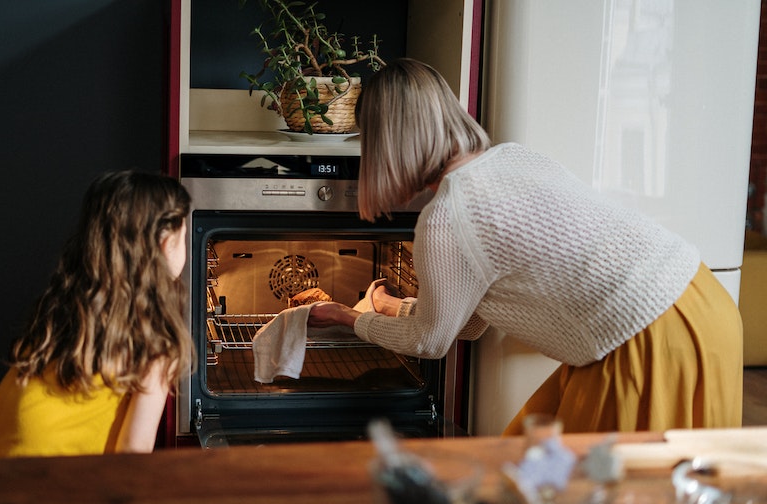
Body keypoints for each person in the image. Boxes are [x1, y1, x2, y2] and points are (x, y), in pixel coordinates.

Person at [308, 58, 743, 435]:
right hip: (702, 304)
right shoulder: (516, 158)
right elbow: (470, 322)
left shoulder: (446, 217)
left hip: (646, 343)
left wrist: (345, 317)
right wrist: (385, 306)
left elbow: (430, 342)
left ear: (387, 143)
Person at [0, 170, 194, 501]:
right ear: (165, 241)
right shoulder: (155, 336)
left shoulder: (68, 301)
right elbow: (133, 453)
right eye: (185, 233)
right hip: (43, 499)